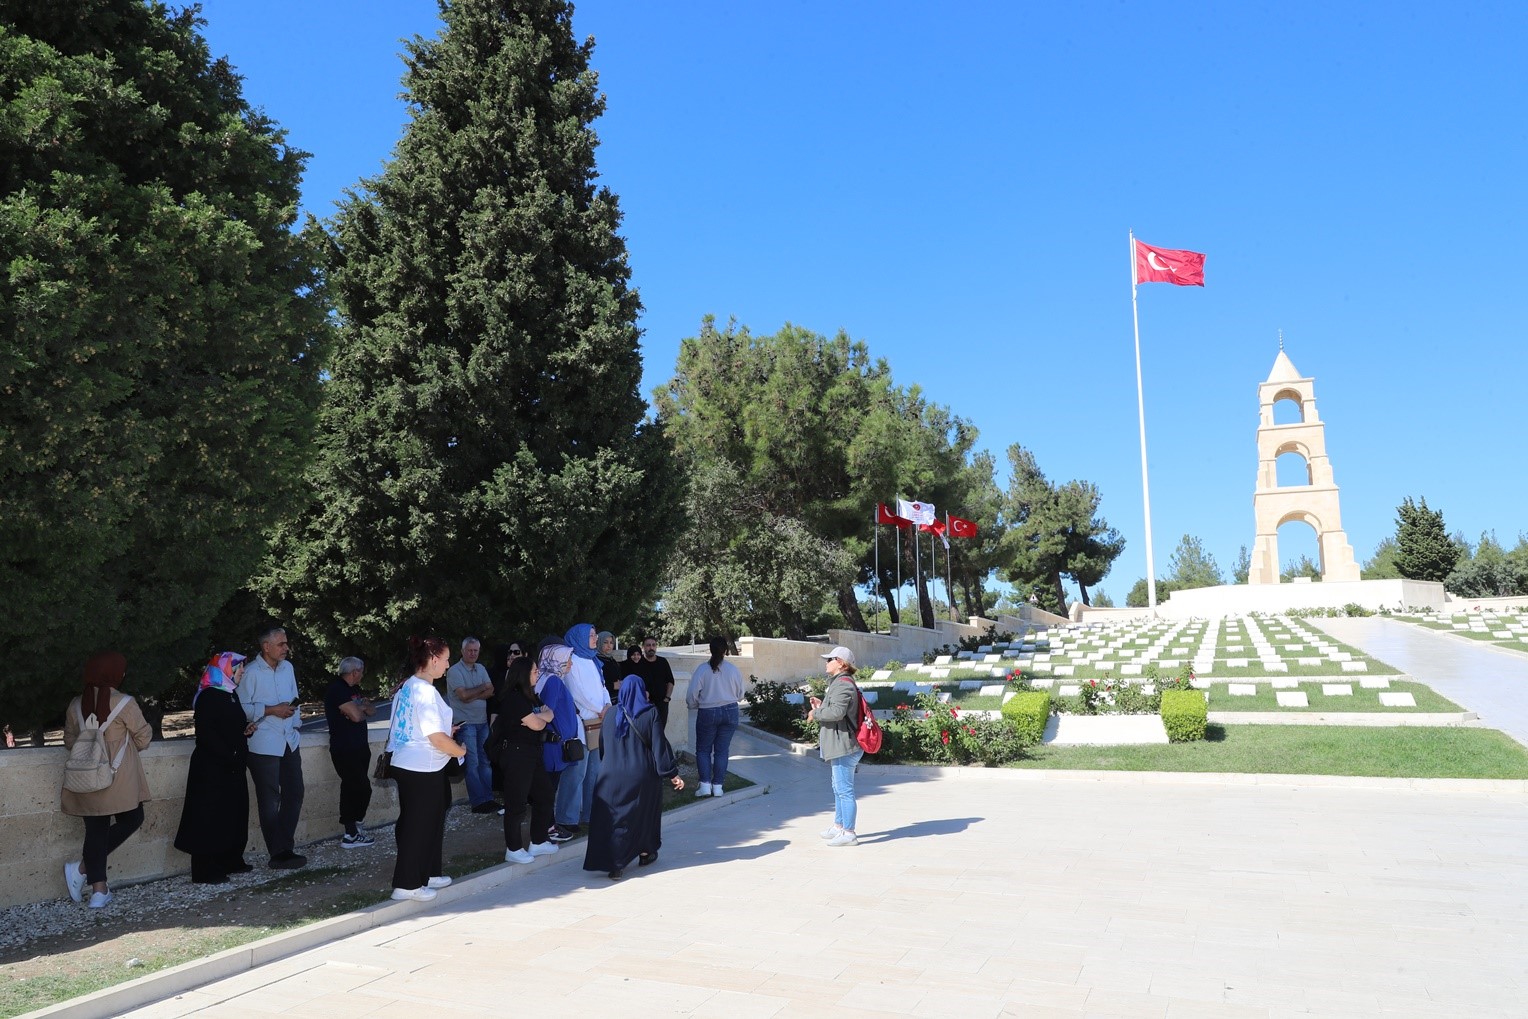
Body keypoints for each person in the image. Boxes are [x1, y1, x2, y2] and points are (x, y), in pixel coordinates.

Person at [61, 651, 152, 908]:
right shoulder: (125, 702)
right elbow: (144, 738)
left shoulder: (76, 704)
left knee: (96, 830)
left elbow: (69, 741)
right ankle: (92, 883)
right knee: (133, 818)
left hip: (85, 776)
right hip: (116, 777)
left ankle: (91, 882)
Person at [387, 636, 467, 902]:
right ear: (433, 660)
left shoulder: (407, 686)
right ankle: (407, 885)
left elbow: (413, 726)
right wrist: (459, 751)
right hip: (422, 767)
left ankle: (427, 873)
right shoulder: (426, 691)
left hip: (411, 764)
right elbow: (436, 738)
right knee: (417, 826)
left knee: (426, 822)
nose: (447, 665)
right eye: (445, 660)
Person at [584, 676, 683, 880]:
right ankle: (645, 853)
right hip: (641, 776)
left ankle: (615, 862)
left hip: (609, 776)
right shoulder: (649, 713)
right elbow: (659, 747)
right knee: (643, 816)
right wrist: (671, 773)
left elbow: (603, 746)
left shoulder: (610, 714)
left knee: (614, 820)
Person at [174, 653, 257, 884]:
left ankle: (230, 860)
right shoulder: (209, 696)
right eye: (238, 669)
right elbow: (207, 734)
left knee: (233, 813)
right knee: (208, 816)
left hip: (232, 767)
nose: (241, 672)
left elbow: (232, 726)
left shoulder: (230, 695)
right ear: (225, 671)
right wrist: (229, 753)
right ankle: (205, 870)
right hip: (212, 769)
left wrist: (246, 729)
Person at [240, 626, 306, 869]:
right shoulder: (250, 673)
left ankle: (286, 847)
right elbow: (241, 707)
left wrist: (294, 721)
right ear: (265, 647)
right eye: (281, 644)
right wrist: (270, 710)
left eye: (286, 643)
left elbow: (294, 696)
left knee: (295, 792)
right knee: (269, 799)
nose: (286, 648)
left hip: (289, 740)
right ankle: (277, 853)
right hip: (263, 743)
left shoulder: (288, 668)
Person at [492, 656, 560, 864]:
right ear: (523, 674)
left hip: (532, 752)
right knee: (516, 802)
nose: (537, 674)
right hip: (516, 754)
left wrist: (540, 715)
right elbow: (539, 724)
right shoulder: (513, 698)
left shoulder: (531, 697)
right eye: (534, 671)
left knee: (545, 795)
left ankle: (538, 841)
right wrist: (540, 716)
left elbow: (550, 713)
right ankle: (513, 848)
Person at [553, 623, 611, 841]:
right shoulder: (572, 661)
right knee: (576, 773)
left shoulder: (592, 660)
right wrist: (601, 708)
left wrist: (606, 707)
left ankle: (590, 813)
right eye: (591, 635)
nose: (595, 638)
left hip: (597, 722)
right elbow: (578, 693)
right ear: (579, 638)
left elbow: (603, 687)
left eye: (595, 634)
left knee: (594, 771)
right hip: (580, 724)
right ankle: (567, 818)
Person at [807, 645, 864, 847]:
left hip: (844, 745)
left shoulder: (843, 685)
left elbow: (837, 713)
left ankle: (849, 833)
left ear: (841, 663)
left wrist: (816, 713)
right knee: (838, 788)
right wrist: (822, 705)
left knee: (844, 790)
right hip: (839, 744)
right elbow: (836, 709)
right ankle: (839, 826)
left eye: (830, 659)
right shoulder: (839, 683)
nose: (826, 662)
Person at [325, 656, 376, 848]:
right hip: (344, 748)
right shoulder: (337, 689)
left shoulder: (353, 690)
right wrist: (359, 709)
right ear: (355, 671)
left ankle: (355, 826)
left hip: (360, 746)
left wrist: (359, 707)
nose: (362, 675)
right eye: (361, 671)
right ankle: (350, 833)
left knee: (357, 787)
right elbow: (356, 716)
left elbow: (371, 710)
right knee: (357, 787)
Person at [686, 637, 746, 798]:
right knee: (722, 750)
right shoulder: (733, 669)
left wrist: (694, 705)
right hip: (730, 711)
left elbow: (692, 694)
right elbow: (741, 694)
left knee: (703, 750)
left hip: (708, 711)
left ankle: (705, 785)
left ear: (710, 650)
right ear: (725, 651)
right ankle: (718, 786)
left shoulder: (702, 670)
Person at [445, 637, 498, 814]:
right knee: (472, 764)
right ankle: (478, 802)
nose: (473, 653)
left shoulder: (481, 668)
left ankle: (488, 799)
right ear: (462, 651)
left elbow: (490, 691)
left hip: (482, 722)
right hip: (465, 724)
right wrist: (481, 688)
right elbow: (463, 696)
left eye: (475, 651)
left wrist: (472, 694)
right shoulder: (454, 671)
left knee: (485, 762)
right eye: (469, 650)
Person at [534, 641, 579, 843]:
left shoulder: (548, 679)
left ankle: (548, 826)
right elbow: (547, 711)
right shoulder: (552, 681)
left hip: (555, 743)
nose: (570, 663)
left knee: (549, 788)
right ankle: (548, 828)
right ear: (557, 660)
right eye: (567, 659)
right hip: (553, 745)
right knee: (549, 789)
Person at [632, 634, 676, 732]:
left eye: (653, 645)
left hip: (661, 705)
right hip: (644, 705)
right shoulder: (638, 663)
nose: (651, 647)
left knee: (659, 733)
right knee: (645, 733)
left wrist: (667, 698)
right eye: (648, 645)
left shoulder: (663, 662)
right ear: (643, 647)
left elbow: (670, 681)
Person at [596, 630, 623, 699]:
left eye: (611, 643)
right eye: (605, 642)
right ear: (599, 642)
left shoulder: (611, 659)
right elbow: (594, 686)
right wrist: (612, 685)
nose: (609, 645)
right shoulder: (596, 661)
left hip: (616, 699)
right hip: (603, 702)